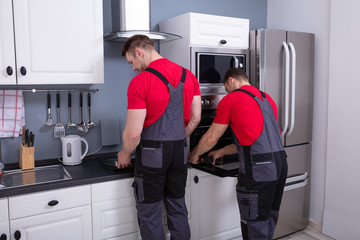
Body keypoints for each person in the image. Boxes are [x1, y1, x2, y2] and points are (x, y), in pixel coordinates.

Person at [117, 34, 201, 240]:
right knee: (178, 206)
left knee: (150, 213)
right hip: (179, 152)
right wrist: (178, 137)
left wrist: (125, 153)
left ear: (139, 52)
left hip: (152, 155)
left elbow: (134, 132)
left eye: (132, 62)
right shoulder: (189, 75)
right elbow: (196, 118)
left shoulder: (140, 82)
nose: (133, 68)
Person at [188, 67, 288, 240]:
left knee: (254, 224)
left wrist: (194, 154)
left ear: (231, 80)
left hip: (259, 170)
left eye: (226, 88)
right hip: (280, 164)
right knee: (268, 219)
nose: (226, 91)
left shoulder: (231, 99)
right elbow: (255, 138)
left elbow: (211, 137)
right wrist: (220, 152)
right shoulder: (266, 98)